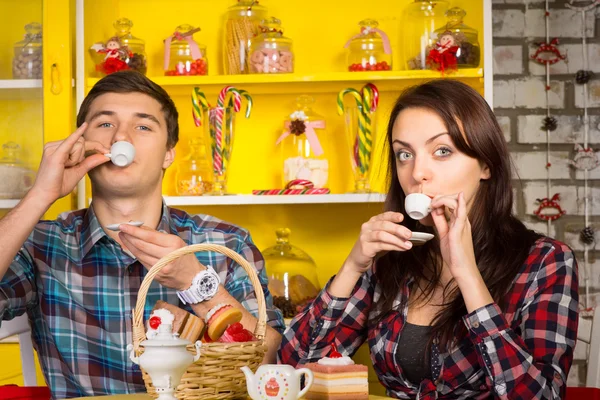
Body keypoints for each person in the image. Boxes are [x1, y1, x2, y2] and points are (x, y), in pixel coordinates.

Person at [278, 79, 578, 399]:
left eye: (442, 151)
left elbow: (542, 396)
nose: (417, 171)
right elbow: (294, 368)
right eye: (404, 154)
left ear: (486, 164)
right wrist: (353, 266)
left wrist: (467, 274)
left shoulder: (545, 261)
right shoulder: (392, 259)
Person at [0, 70, 284, 399]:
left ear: (168, 154)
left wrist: (197, 284)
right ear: (81, 145)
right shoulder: (41, 245)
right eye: (105, 124)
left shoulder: (226, 243)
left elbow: (272, 364)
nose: (121, 137)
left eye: (143, 126)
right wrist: (41, 195)